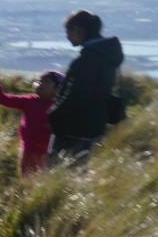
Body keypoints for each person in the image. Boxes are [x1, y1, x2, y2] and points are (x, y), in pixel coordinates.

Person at [47, 9, 124, 162]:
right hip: (95, 125)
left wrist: (52, 116)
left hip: (73, 128)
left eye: (67, 31)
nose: (66, 36)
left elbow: (76, 96)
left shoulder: (86, 60)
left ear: (77, 30)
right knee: (79, 173)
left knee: (61, 176)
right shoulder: (106, 56)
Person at [0, 66, 61, 176]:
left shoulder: (60, 106)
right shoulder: (29, 101)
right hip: (27, 149)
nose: (40, 83)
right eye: (38, 80)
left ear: (58, 88)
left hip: (48, 152)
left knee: (43, 179)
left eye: (46, 81)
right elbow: (2, 99)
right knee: (26, 178)